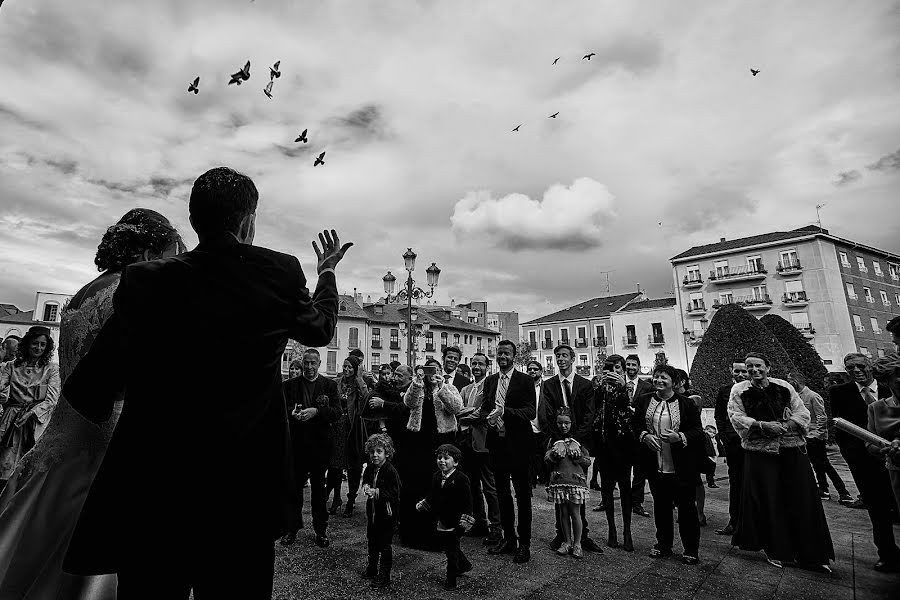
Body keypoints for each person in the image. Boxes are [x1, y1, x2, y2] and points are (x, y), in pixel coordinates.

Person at [60, 167, 352, 597]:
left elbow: (88, 391)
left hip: (153, 499)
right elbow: (320, 329)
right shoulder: (277, 272)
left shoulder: (147, 281)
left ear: (194, 220)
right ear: (246, 222)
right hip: (243, 500)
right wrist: (326, 272)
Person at [0, 208, 184, 598]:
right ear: (150, 253)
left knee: (33, 537)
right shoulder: (131, 291)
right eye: (168, 255)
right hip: (108, 434)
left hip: (63, 433)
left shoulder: (81, 295)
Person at [728, 353, 834, 571]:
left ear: (768, 367)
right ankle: (776, 549)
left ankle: (811, 553)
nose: (754, 370)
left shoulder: (784, 386)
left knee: (802, 498)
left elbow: (802, 412)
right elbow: (736, 416)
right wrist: (761, 425)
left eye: (758, 366)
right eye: (749, 367)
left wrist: (789, 425)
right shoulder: (739, 390)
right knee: (768, 500)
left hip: (792, 448)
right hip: (760, 452)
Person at [830, 353, 900, 571]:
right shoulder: (840, 392)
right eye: (850, 368)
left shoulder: (891, 385)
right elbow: (841, 427)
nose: (856, 371)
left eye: (860, 366)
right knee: (877, 508)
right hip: (865, 461)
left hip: (896, 462)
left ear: (870, 366)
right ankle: (887, 554)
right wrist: (853, 455)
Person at [632, 364, 703, 565]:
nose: (659, 381)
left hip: (681, 465)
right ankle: (663, 544)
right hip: (655, 463)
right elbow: (635, 424)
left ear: (674, 382)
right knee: (661, 506)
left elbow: (698, 432)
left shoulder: (686, 404)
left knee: (686, 507)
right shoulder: (644, 401)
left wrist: (679, 437)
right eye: (656, 377)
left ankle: (690, 549)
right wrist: (644, 436)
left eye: (664, 378)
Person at [539, 344, 602, 554]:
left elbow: (589, 414)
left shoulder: (584, 385)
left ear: (573, 358)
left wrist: (576, 440)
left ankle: (582, 537)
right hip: (557, 443)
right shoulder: (549, 385)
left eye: (565, 355)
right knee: (559, 488)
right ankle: (562, 535)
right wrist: (558, 440)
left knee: (578, 489)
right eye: (557, 356)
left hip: (579, 443)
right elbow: (547, 415)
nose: (561, 359)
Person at [481, 340, 536, 564]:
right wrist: (489, 416)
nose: (502, 356)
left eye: (506, 353)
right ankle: (508, 538)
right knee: (502, 494)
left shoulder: (525, 380)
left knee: (523, 496)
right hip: (497, 444)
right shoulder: (491, 381)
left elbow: (530, 411)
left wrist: (505, 412)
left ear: (513, 356)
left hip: (520, 446)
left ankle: (524, 544)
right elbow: (485, 407)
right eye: (499, 353)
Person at [398, 364, 463, 549]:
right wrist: (417, 384)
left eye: (434, 370)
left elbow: (456, 407)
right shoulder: (417, 386)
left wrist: (440, 388)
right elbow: (408, 403)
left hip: (441, 442)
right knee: (416, 486)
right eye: (427, 370)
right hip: (418, 443)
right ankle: (412, 534)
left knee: (438, 487)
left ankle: (438, 534)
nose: (430, 374)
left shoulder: (448, 386)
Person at [280, 349, 341, 547]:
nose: (309, 367)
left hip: (320, 447)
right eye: (306, 363)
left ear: (319, 363)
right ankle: (291, 529)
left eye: (312, 363)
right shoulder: (289, 386)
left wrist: (317, 411)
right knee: (294, 489)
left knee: (318, 490)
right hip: (296, 446)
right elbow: (281, 409)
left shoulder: (330, 385)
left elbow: (337, 413)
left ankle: (321, 531)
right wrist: (294, 413)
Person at [0, 325, 61, 492]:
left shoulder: (51, 369)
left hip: (35, 423)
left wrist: (31, 413)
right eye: (35, 343)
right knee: (5, 465)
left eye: (42, 345)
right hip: (11, 421)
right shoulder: (11, 366)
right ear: (27, 343)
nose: (38, 348)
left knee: (29, 468)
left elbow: (52, 399)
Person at [590, 354, 636, 551]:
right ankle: (611, 529)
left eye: (618, 368)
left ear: (624, 370)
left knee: (626, 488)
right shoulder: (599, 386)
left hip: (624, 445)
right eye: (610, 368)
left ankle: (627, 530)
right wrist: (603, 386)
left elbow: (625, 406)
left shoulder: (629, 387)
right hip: (604, 445)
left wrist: (622, 385)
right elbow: (595, 405)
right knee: (607, 488)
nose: (614, 372)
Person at [457, 352, 502, 545]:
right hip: (467, 442)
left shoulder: (490, 385)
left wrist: (469, 414)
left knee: (490, 487)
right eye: (474, 363)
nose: (476, 367)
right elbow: (458, 410)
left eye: (480, 364)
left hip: (484, 442)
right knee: (472, 485)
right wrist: (469, 413)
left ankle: (496, 528)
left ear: (487, 366)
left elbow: (485, 411)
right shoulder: (466, 389)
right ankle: (479, 522)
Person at [786, 371, 852, 503]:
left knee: (824, 464)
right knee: (817, 465)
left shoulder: (812, 396)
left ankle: (843, 492)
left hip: (815, 437)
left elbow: (822, 417)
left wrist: (816, 435)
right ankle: (824, 489)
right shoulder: (795, 397)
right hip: (805, 436)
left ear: (795, 381)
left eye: (789, 380)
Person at [416, 443, 474, 590]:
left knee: (451, 551)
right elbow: (432, 495)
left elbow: (467, 501)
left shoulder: (461, 478)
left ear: (455, 462)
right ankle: (464, 565)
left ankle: (451, 580)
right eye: (439, 457)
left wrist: (466, 520)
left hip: (456, 520)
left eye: (446, 458)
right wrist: (424, 504)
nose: (441, 460)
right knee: (449, 546)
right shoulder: (436, 476)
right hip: (442, 518)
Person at [867, 354, 900, 571]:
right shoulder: (877, 408)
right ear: (887, 380)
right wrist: (883, 448)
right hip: (896, 471)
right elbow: (870, 444)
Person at [545, 407, 592, 559]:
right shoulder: (553, 440)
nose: (563, 426)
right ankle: (567, 541)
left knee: (575, 513)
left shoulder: (578, 442)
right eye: (560, 423)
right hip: (559, 482)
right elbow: (546, 459)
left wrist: (577, 456)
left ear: (572, 423)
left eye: (566, 423)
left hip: (575, 482)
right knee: (563, 513)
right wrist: (554, 455)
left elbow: (587, 461)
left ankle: (578, 543)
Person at [327, 355, 369, 518]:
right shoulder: (336, 382)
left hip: (353, 429)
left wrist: (359, 378)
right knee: (335, 465)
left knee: (353, 466)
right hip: (336, 426)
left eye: (350, 367)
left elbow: (366, 398)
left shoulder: (360, 383)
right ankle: (336, 497)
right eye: (345, 366)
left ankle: (351, 500)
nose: (346, 370)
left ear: (356, 369)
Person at [361, 433, 401, 589]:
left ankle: (384, 575)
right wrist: (365, 486)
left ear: (387, 453)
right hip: (372, 514)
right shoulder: (370, 468)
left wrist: (376, 492)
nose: (375, 455)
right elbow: (365, 479)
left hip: (387, 515)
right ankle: (372, 568)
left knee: (384, 545)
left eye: (379, 451)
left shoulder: (391, 471)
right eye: (372, 451)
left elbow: (395, 493)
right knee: (372, 542)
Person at [714, 360, 748, 536]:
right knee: (735, 483)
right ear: (731, 371)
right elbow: (719, 413)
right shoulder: (725, 390)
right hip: (733, 442)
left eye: (743, 371)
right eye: (737, 371)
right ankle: (734, 522)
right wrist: (722, 435)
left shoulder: (755, 388)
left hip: (752, 442)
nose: (740, 374)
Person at [624, 355, 653, 518]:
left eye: (633, 365)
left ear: (639, 366)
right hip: (622, 435)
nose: (630, 367)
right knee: (622, 470)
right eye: (628, 364)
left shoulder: (647, 386)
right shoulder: (620, 383)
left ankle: (637, 502)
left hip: (639, 434)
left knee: (640, 471)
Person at [526, 360, 547, 488]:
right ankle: (530, 482)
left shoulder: (547, 387)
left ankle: (544, 479)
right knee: (529, 456)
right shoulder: (523, 387)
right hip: (528, 427)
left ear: (541, 372)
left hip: (543, 427)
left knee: (543, 455)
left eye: (535, 369)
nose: (532, 371)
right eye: (530, 369)